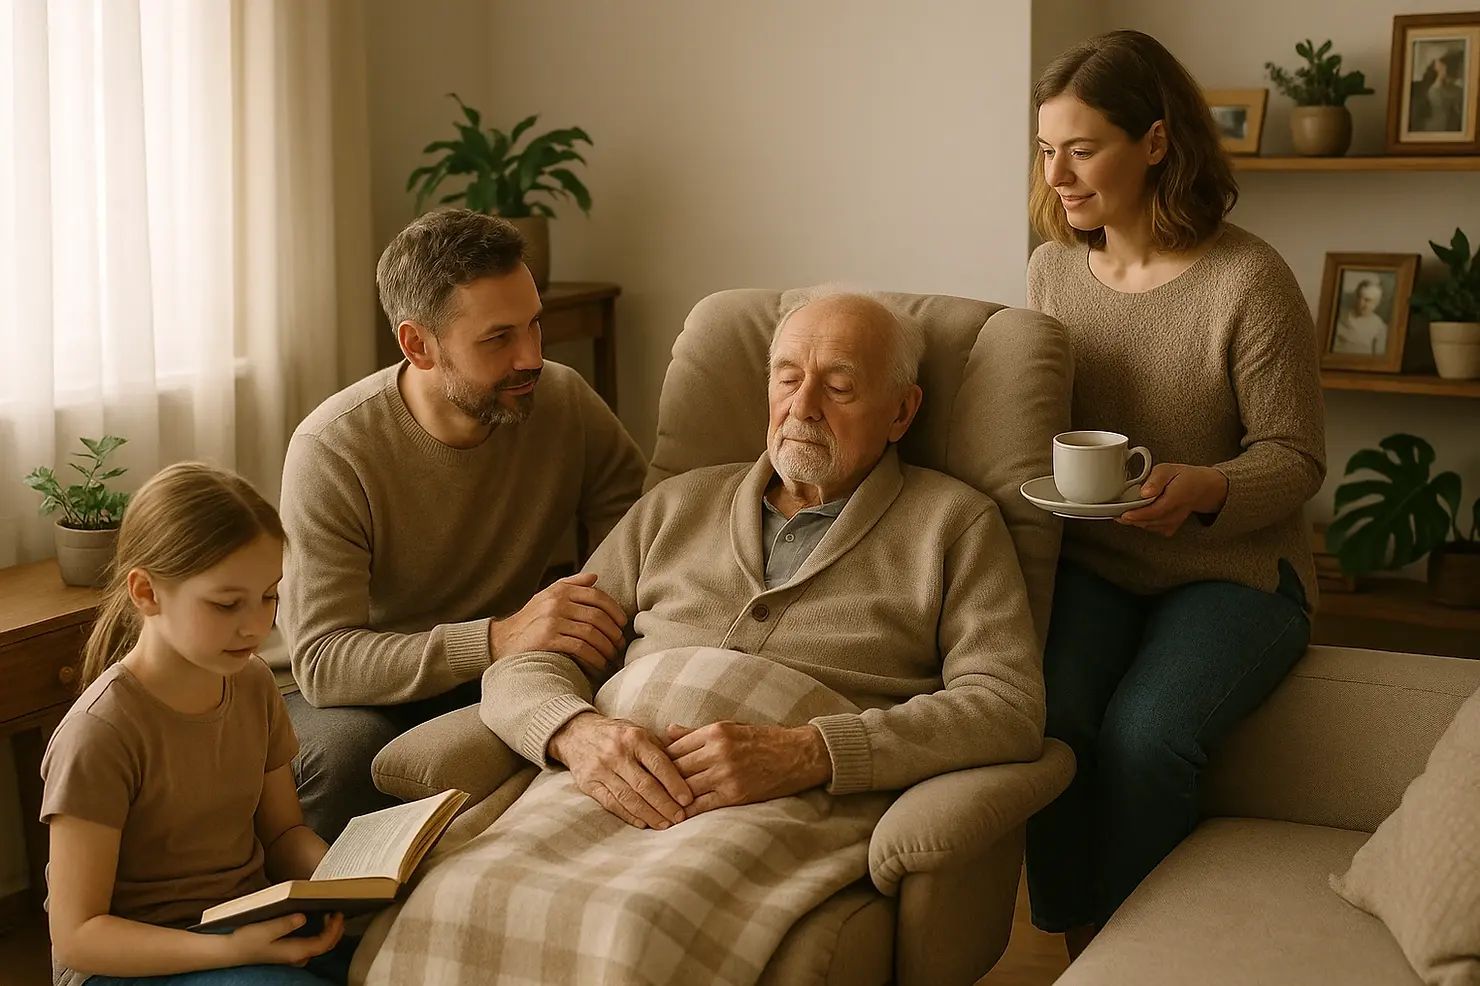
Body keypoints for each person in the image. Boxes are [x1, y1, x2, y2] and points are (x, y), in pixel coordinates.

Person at [356, 291, 1048, 982]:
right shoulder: (675, 505)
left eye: (838, 386)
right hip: (606, 773)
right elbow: (532, 656)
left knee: (637, 931)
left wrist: (813, 751)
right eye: (786, 377)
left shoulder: (953, 525)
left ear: (902, 411)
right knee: (462, 893)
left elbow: (1006, 705)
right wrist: (576, 733)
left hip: (782, 798)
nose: (803, 407)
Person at [1025, 30, 1326, 958]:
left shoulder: (1250, 280)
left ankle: (1146, 958)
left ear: (1155, 143)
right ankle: (1082, 946)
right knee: (1051, 723)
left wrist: (1208, 488)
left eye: (1083, 149)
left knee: (1146, 739)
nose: (1060, 175)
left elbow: (1297, 458)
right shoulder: (1049, 273)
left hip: (1232, 569)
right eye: (1047, 149)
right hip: (1098, 559)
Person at [275, 209, 647, 840]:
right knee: (344, 759)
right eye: (497, 339)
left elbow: (644, 532)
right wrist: (498, 639)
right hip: (359, 692)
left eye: (535, 325)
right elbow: (323, 661)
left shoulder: (562, 400)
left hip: (512, 667)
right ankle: (330, 937)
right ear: (417, 345)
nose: (532, 357)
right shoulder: (333, 451)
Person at [41, 463, 355, 986]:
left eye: (269, 596)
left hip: (242, 925)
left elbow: (283, 833)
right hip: (129, 961)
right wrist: (233, 951)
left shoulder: (253, 684)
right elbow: (78, 936)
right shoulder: (100, 733)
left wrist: (346, 879)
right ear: (146, 592)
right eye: (227, 603)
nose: (257, 625)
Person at [1332, 278, 1389, 355]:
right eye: (1359, 297)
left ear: (1376, 303)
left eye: (1367, 300)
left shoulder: (1380, 327)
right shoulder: (1338, 317)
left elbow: (1378, 357)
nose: (1361, 303)